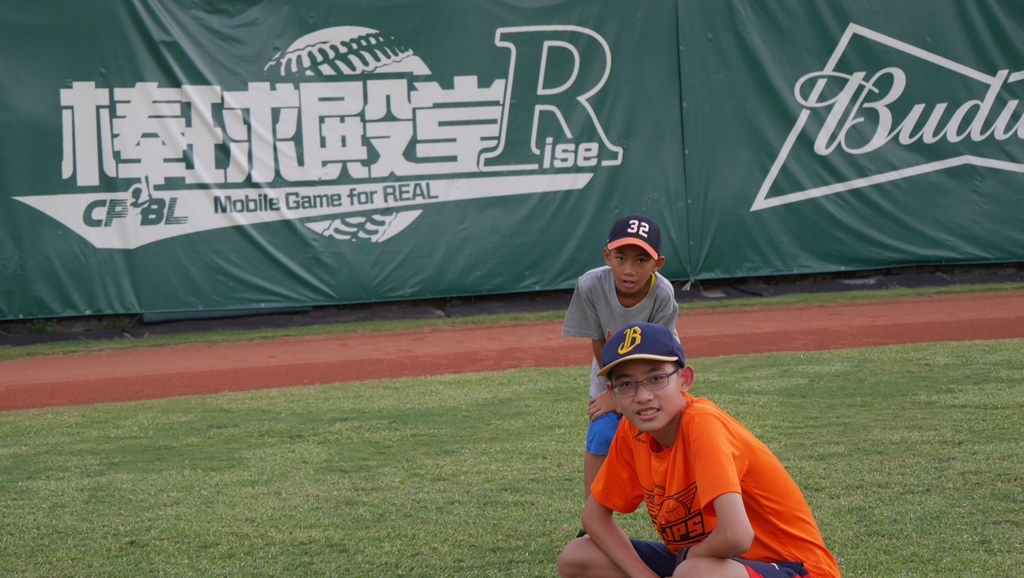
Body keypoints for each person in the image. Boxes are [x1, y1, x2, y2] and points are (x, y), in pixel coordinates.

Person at [557, 322, 842, 578]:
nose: (643, 396)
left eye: (656, 378)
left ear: (684, 379)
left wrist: (686, 559)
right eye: (626, 384)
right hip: (710, 564)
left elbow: (737, 535)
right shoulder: (633, 431)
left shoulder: (702, 423)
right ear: (612, 391)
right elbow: (593, 517)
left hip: (795, 568)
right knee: (578, 556)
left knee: (693, 573)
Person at [562, 215, 679, 505]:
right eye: (621, 258)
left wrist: (632, 395)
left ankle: (680, 509)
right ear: (607, 256)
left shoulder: (662, 294)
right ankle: (592, 523)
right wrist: (613, 392)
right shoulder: (590, 285)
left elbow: (660, 356)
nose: (629, 270)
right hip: (609, 375)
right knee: (601, 436)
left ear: (658, 264)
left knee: (673, 440)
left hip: (657, 374)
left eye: (641, 260)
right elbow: (598, 340)